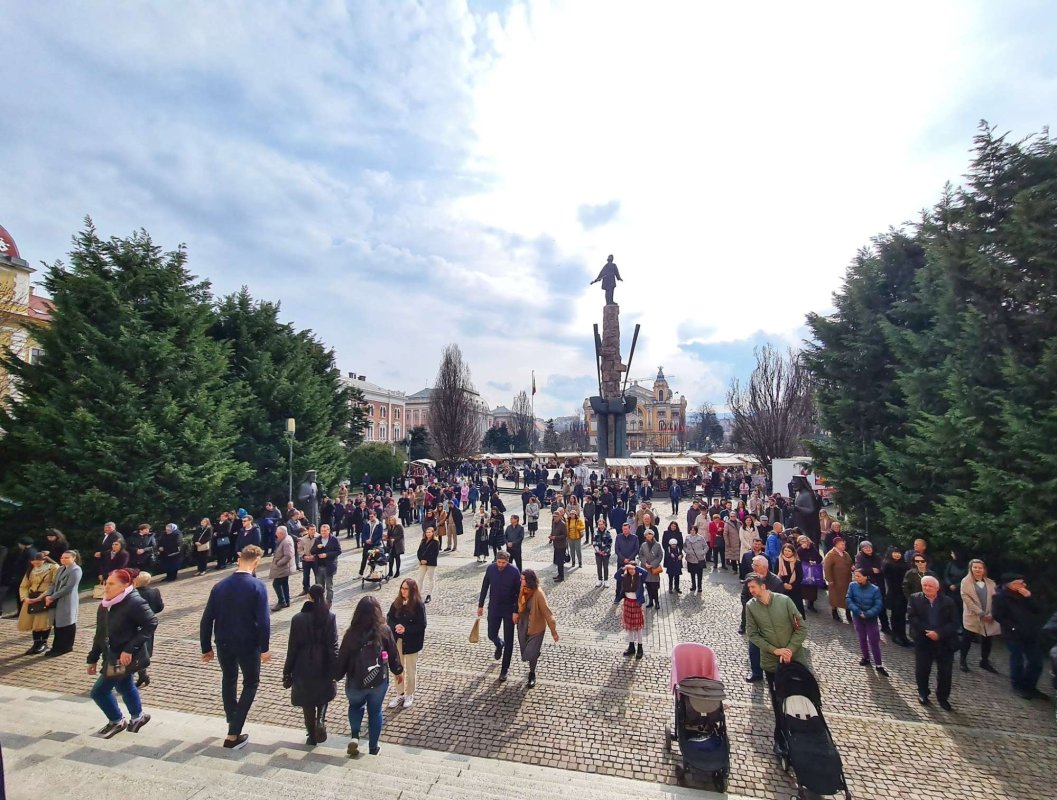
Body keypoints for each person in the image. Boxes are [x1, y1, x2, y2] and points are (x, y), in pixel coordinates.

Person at [199, 545, 271, 749]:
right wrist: (265, 648)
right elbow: (264, 621)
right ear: (256, 562)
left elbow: (206, 619)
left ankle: (232, 718)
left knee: (229, 679)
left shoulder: (220, 586)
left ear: (239, 559)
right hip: (248, 643)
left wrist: (205, 647)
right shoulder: (257, 586)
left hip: (223, 641)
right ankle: (234, 731)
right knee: (251, 682)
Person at [86, 568, 157, 737]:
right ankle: (138, 716)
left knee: (99, 692)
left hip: (121, 658)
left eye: (111, 584)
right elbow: (100, 633)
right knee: (124, 685)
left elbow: (151, 623)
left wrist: (129, 649)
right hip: (111, 654)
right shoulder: (105, 604)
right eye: (106, 583)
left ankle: (117, 720)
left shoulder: (134, 602)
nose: (106, 587)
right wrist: (93, 658)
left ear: (126, 585)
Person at [744, 573, 808, 755]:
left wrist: (790, 649)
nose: (750, 590)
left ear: (763, 586)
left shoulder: (784, 601)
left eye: (753, 587)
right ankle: (780, 739)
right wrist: (775, 650)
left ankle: (804, 736)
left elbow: (801, 628)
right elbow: (752, 634)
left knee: (801, 699)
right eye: (749, 588)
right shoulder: (751, 606)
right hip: (772, 663)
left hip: (795, 660)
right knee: (778, 702)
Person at [335, 595, 403, 757]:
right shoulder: (384, 630)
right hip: (378, 680)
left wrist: (336, 675)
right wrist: (398, 671)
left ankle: (355, 736)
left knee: (355, 707)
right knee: (375, 711)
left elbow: (342, 658)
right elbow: (393, 654)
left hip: (355, 681)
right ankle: (373, 747)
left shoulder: (351, 633)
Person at [283, 584, 338, 745]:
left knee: (307, 703)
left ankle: (312, 736)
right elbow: (333, 645)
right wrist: (335, 667)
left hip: (303, 664)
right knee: (323, 694)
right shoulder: (329, 617)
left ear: (309, 597)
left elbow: (292, 648)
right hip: (323, 663)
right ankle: (320, 720)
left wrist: (287, 671)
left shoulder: (298, 619)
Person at [908, 575, 958, 709]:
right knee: (922, 669)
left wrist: (939, 633)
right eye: (924, 585)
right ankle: (923, 692)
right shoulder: (914, 598)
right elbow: (912, 618)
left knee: (945, 672)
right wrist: (928, 631)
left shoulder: (948, 602)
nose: (927, 588)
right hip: (923, 640)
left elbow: (954, 623)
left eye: (930, 586)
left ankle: (943, 697)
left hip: (944, 642)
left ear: (937, 588)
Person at [992, 573, 1045, 700]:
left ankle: (1030, 685)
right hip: (1014, 634)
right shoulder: (1000, 597)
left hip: (1030, 632)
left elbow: (1038, 610)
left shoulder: (1024, 595)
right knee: (1017, 660)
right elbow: (998, 616)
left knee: (1036, 661)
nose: (1024, 585)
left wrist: (1029, 597)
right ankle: (1018, 686)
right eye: (1021, 583)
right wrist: (1013, 627)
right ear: (1011, 584)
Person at [477, 550, 521, 682]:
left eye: (503, 563)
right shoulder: (490, 569)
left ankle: (504, 669)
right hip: (494, 607)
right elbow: (485, 586)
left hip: (509, 609)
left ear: (507, 562)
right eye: (499, 562)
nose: (501, 565)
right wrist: (480, 605)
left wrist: (516, 611)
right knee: (491, 634)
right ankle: (499, 644)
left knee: (509, 639)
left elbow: (519, 593)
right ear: (496, 560)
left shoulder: (514, 572)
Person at [386, 578, 426, 709]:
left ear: (412, 590)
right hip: (398, 641)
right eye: (402, 588)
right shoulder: (397, 602)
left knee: (410, 669)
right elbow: (390, 618)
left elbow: (421, 625)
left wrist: (406, 629)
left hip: (411, 642)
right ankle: (400, 693)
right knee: (398, 668)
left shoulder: (418, 605)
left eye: (406, 589)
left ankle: (409, 693)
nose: (403, 591)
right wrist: (395, 626)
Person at [516, 569, 558, 688]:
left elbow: (547, 612)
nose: (520, 581)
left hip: (536, 628)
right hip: (523, 625)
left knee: (531, 654)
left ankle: (532, 674)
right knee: (525, 653)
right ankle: (535, 653)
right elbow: (517, 604)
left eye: (522, 579)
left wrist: (553, 631)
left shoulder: (538, 593)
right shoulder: (522, 589)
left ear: (528, 580)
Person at [958, 558, 1000, 674]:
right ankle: (962, 660)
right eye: (975, 567)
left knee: (987, 639)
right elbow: (967, 599)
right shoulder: (965, 582)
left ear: (984, 569)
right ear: (971, 569)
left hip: (989, 616)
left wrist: (991, 614)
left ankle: (984, 661)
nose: (977, 570)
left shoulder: (991, 583)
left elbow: (995, 599)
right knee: (967, 639)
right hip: (973, 615)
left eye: (980, 568)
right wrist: (980, 613)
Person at [847, 567, 888, 675]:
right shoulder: (852, 586)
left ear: (866, 577)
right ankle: (866, 657)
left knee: (874, 640)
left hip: (871, 619)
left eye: (858, 576)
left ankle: (879, 664)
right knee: (862, 638)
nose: (856, 578)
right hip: (857, 617)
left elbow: (878, 604)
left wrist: (868, 613)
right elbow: (849, 599)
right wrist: (858, 611)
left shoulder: (875, 589)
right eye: (855, 576)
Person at [44, 550, 82, 656]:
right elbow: (53, 583)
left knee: (67, 623)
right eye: (62, 558)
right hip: (56, 599)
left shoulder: (76, 570)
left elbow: (68, 587)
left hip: (67, 600)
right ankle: (56, 647)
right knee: (58, 624)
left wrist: (52, 597)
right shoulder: (60, 568)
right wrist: (48, 595)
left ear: (74, 558)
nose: (63, 560)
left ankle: (65, 647)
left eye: (67, 558)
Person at [19, 552, 58, 655]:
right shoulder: (31, 570)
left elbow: (54, 584)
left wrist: (42, 596)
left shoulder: (52, 568)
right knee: (33, 622)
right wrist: (24, 598)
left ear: (44, 560)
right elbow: (24, 585)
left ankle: (43, 642)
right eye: (33, 561)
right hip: (31, 597)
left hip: (44, 598)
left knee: (43, 622)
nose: (36, 563)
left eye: (38, 561)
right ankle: (36, 643)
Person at [133, 572, 164, 687]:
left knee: (137, 648)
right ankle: (143, 673)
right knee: (147, 646)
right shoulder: (154, 591)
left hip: (135, 624)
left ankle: (142, 673)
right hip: (149, 623)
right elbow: (160, 607)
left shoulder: (134, 594)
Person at [855, 541, 889, 632]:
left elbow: (882, 568)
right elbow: (859, 570)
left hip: (879, 584)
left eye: (869, 547)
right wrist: (871, 570)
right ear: (862, 549)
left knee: (881, 606)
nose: (868, 549)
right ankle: (870, 627)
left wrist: (878, 570)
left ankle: (885, 626)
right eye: (865, 548)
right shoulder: (859, 557)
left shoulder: (877, 556)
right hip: (868, 585)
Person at [619, 562, 648, 659]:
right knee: (629, 626)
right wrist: (624, 568)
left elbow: (645, 573)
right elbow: (616, 576)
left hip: (636, 604)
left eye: (633, 569)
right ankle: (631, 647)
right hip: (627, 603)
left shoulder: (640, 577)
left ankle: (640, 648)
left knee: (638, 627)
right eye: (630, 569)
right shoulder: (625, 577)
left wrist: (635, 567)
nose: (631, 571)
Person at [883, 547, 911, 646]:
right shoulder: (888, 564)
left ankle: (903, 636)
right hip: (894, 593)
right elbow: (889, 580)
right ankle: (896, 636)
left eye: (899, 553)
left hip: (903, 593)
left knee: (902, 616)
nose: (897, 554)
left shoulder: (905, 564)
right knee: (895, 615)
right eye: (895, 553)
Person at [823, 536, 853, 623]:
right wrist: (829, 579)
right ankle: (834, 612)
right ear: (836, 545)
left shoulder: (845, 554)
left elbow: (850, 562)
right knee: (835, 597)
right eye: (841, 544)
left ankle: (848, 613)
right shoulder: (830, 554)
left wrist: (852, 566)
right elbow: (827, 568)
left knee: (847, 596)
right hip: (836, 580)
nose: (843, 546)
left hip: (846, 580)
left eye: (844, 544)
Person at [310, 524, 342, 606]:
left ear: (328, 531)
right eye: (322, 531)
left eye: (325, 531)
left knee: (329, 587)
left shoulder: (334, 539)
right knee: (319, 587)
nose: (323, 533)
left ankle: (328, 604)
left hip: (329, 567)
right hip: (319, 567)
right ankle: (320, 603)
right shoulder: (318, 539)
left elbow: (339, 551)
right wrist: (317, 547)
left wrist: (327, 555)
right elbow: (312, 551)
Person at [269, 526, 295, 611]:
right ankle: (286, 601)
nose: (276, 534)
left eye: (277, 533)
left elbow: (288, 555)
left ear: (281, 534)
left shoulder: (286, 541)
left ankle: (282, 601)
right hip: (285, 567)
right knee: (284, 584)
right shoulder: (285, 539)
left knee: (276, 584)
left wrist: (279, 563)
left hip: (283, 567)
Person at [795, 535, 822, 613]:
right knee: (803, 588)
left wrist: (814, 561)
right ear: (799, 542)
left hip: (813, 572)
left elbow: (819, 558)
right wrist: (801, 548)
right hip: (803, 572)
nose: (805, 542)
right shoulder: (799, 549)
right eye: (802, 541)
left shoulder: (812, 548)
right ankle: (800, 604)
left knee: (812, 589)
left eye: (806, 541)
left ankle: (811, 604)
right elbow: (796, 557)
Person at [775, 542, 805, 616]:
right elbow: (775, 574)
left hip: (794, 589)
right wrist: (783, 584)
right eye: (785, 550)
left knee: (796, 610)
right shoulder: (778, 560)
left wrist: (792, 585)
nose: (787, 552)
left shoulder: (797, 562)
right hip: (782, 588)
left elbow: (800, 576)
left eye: (789, 551)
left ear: (793, 552)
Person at [639, 529, 663, 609]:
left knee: (654, 587)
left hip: (654, 569)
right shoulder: (643, 545)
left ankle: (657, 602)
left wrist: (652, 564)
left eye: (650, 534)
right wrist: (645, 563)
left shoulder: (658, 545)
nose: (648, 536)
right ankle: (650, 601)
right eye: (647, 534)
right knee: (648, 586)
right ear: (645, 536)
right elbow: (640, 555)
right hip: (645, 568)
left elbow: (660, 556)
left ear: (653, 535)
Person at [416, 527, 440, 604]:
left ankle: (429, 594)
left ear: (433, 533)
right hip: (422, 563)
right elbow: (419, 551)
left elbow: (435, 554)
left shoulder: (435, 542)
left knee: (430, 579)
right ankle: (418, 594)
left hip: (431, 563)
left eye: (429, 532)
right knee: (420, 579)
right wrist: (421, 560)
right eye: (427, 532)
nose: (428, 534)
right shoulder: (423, 541)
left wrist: (427, 560)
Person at [683, 523, 707, 594]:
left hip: (699, 558)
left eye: (693, 530)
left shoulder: (700, 538)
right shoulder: (687, 538)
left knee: (699, 574)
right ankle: (693, 585)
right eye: (691, 530)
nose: (692, 531)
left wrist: (703, 552)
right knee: (692, 573)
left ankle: (699, 586)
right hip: (690, 558)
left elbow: (706, 546)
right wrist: (687, 551)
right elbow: (684, 546)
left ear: (696, 531)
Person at [297, 525, 318, 597]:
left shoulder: (319, 537)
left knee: (317, 575)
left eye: (314, 530)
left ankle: (317, 590)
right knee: (305, 576)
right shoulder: (303, 539)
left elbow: (321, 549)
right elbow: (299, 549)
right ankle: (306, 589)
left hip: (315, 560)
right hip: (306, 560)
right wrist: (304, 556)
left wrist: (314, 556)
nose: (313, 531)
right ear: (308, 530)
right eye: (311, 530)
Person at [550, 508, 568, 583]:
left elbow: (565, 535)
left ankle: (561, 576)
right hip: (556, 545)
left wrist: (556, 537)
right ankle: (559, 575)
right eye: (554, 516)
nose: (554, 518)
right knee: (557, 561)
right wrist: (551, 537)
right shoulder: (554, 523)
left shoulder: (563, 524)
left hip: (561, 546)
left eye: (556, 517)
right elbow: (553, 531)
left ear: (559, 517)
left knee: (560, 562)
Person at [593, 519, 612, 589]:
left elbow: (609, 543)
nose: (600, 526)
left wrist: (605, 551)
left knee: (605, 567)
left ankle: (606, 580)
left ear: (604, 524)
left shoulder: (608, 533)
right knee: (599, 567)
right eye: (599, 524)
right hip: (598, 553)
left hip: (606, 554)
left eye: (602, 524)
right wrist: (598, 551)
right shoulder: (595, 532)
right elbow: (594, 543)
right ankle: (600, 579)